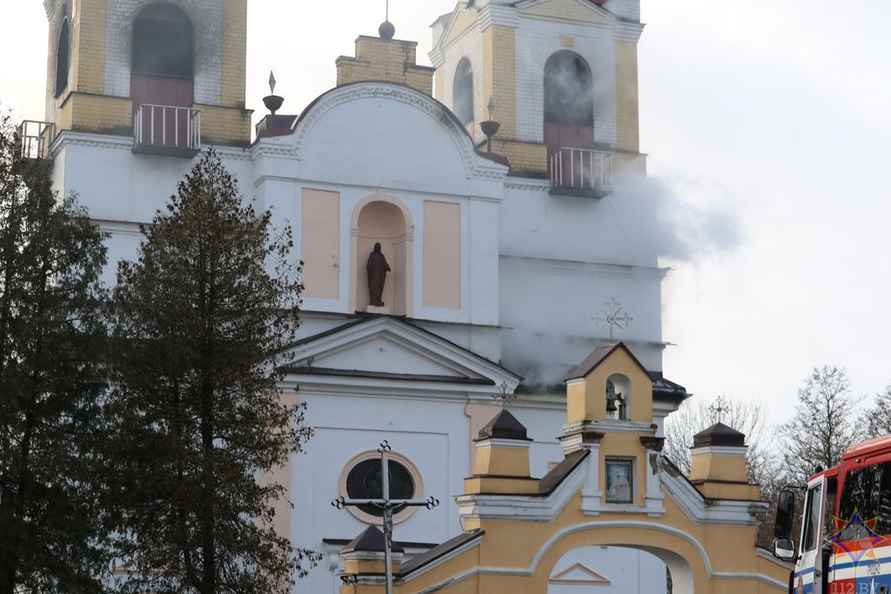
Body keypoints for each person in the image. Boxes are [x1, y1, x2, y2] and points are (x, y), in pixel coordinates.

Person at [366, 242, 391, 307]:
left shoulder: (381, 256)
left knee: (380, 288)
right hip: (374, 276)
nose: (378, 248)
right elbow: (369, 264)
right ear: (375, 248)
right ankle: (373, 301)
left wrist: (387, 267)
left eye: (379, 247)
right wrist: (369, 267)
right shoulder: (372, 255)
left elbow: (385, 263)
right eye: (377, 247)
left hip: (380, 276)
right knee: (373, 287)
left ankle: (378, 300)